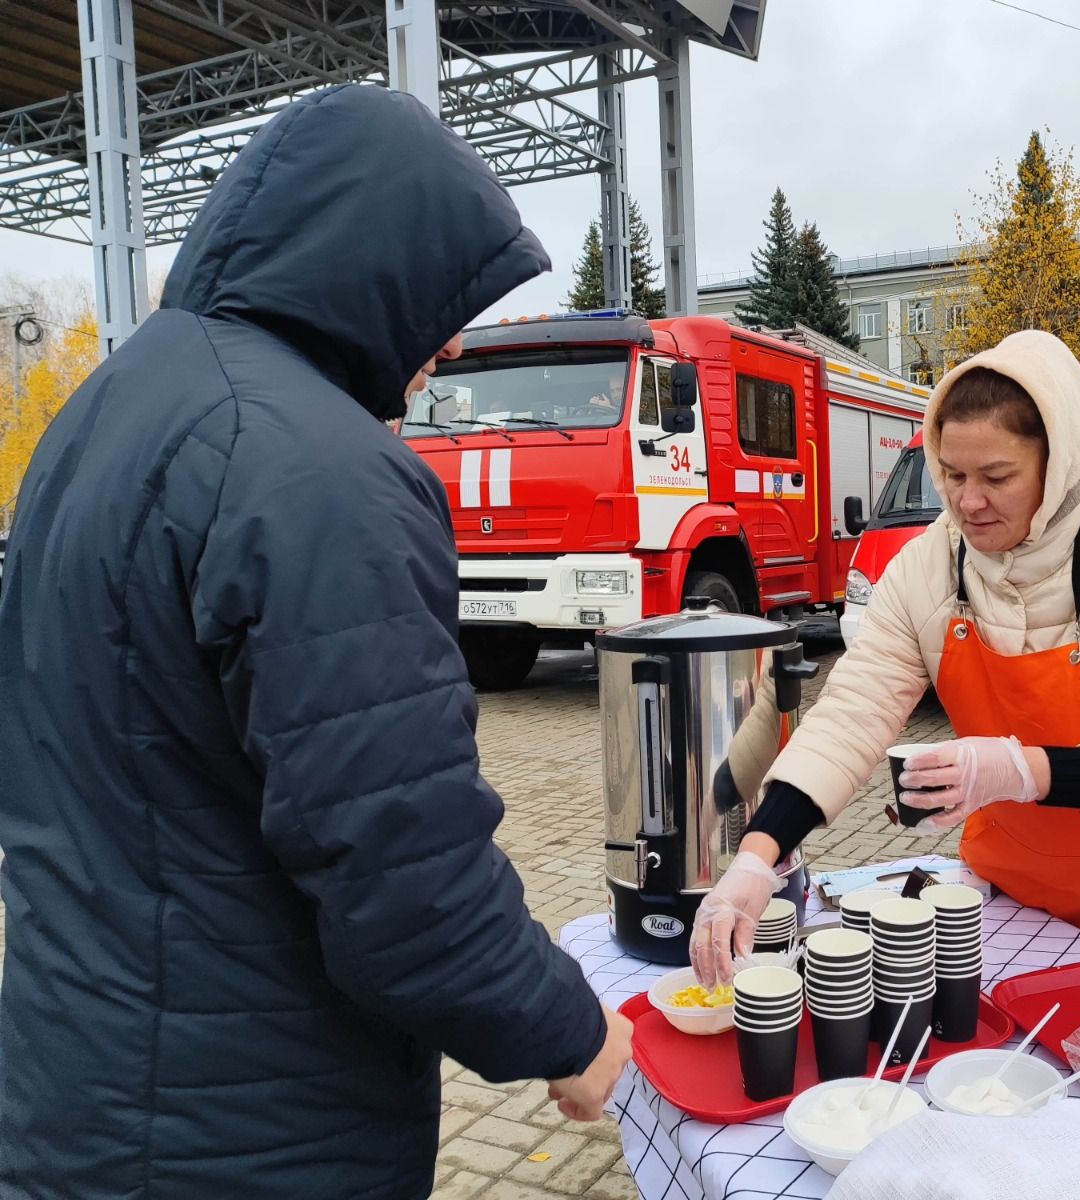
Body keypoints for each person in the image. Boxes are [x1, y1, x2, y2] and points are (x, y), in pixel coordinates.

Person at [0, 84, 631, 1200]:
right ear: (378, 265)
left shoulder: (100, 415)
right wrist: (566, 1030)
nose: (441, 349)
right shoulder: (316, 470)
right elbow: (402, 869)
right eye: (444, 302)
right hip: (247, 1129)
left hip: (76, 1089)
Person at [692, 330, 1080, 985]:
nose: (967, 501)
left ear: (1061, 462)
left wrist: (1019, 769)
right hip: (1030, 877)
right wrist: (758, 857)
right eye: (953, 475)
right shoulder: (930, 566)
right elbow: (852, 714)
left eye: (997, 477)